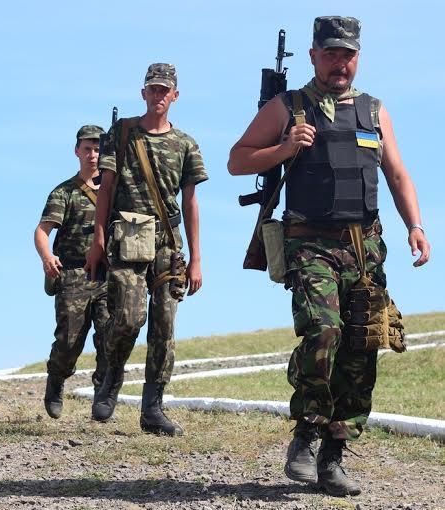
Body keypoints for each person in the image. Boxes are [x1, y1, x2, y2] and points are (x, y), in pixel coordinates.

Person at [227, 16, 430, 497]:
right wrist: (283, 148)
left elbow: (397, 174)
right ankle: (306, 431)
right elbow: (237, 160)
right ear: (314, 56)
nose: (340, 63)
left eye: (348, 55)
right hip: (311, 243)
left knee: (361, 349)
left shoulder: (373, 110)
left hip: (365, 247)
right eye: (331, 54)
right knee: (323, 330)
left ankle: (334, 455)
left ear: (357, 58)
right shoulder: (288, 107)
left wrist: (415, 226)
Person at [85, 63, 208, 436]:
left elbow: (190, 202)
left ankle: (153, 407)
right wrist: (98, 239)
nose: (158, 95)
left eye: (164, 90)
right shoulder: (122, 133)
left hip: (168, 241)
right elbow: (105, 188)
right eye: (152, 89)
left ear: (175, 95)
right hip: (128, 234)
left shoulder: (186, 144)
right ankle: (111, 376)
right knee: (129, 317)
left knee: (164, 325)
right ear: (143, 93)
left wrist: (197, 259)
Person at [34, 124, 109, 419]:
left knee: (110, 338)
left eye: (98, 149)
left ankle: (103, 395)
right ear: (77, 151)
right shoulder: (64, 192)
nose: (93, 155)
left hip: (108, 275)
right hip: (74, 274)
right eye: (87, 149)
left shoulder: (116, 191)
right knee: (69, 340)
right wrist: (47, 256)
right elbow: (42, 231)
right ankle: (56, 380)